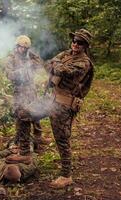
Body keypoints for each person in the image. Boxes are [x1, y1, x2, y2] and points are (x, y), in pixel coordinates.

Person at [21, 29, 94, 188]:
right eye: (74, 40)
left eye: (79, 42)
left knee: (62, 139)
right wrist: (55, 64)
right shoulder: (67, 54)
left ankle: (66, 175)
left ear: (85, 46)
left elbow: (64, 71)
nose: (75, 44)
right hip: (50, 99)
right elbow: (48, 64)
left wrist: (55, 63)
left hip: (64, 104)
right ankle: (25, 153)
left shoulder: (84, 63)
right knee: (23, 113)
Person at [3, 35, 50, 156]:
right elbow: (9, 75)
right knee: (21, 116)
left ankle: (38, 138)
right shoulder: (10, 59)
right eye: (21, 47)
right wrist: (23, 71)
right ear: (16, 46)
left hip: (31, 89)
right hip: (19, 91)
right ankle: (20, 140)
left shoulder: (29, 57)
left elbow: (40, 65)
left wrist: (33, 56)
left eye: (26, 48)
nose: (23, 50)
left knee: (36, 114)